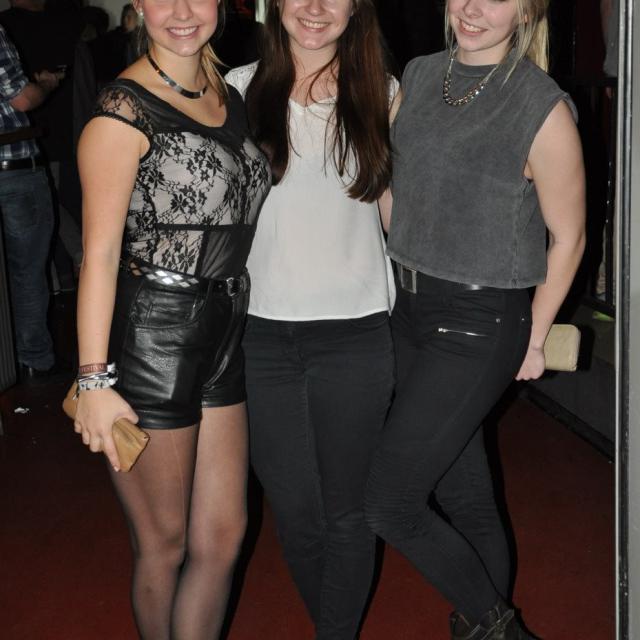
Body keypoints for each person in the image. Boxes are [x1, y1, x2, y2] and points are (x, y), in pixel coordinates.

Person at [364, 1, 586, 639]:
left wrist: (534, 336)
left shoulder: (540, 104)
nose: (473, 8)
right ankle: (479, 626)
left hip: (480, 320)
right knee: (466, 495)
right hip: (409, 307)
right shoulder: (420, 74)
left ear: (527, 11)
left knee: (389, 503)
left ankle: (500, 630)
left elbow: (568, 238)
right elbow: (401, 193)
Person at [72, 0, 271, 636]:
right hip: (152, 334)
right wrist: (94, 381)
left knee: (223, 536)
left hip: (225, 324)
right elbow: (99, 255)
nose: (182, 12)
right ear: (137, 6)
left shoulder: (227, 92)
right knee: (165, 543)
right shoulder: (122, 110)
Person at [225, 1, 398, 637]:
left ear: (357, 8)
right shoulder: (235, 89)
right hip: (261, 333)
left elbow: (397, 211)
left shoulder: (383, 91)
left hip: (358, 330)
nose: (316, 9)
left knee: (348, 514)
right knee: (297, 515)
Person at [0, 24, 62, 380]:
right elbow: (21, 98)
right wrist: (47, 85)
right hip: (12, 168)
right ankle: (34, 358)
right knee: (27, 271)